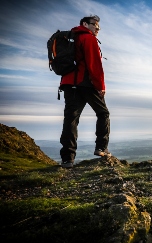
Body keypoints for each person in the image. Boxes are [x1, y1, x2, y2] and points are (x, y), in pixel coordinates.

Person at [59, 15, 110, 168]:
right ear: (85, 24)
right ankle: (101, 148)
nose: (97, 28)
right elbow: (94, 65)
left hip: (69, 83)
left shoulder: (70, 38)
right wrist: (101, 86)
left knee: (71, 119)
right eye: (95, 25)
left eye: (99, 27)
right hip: (86, 83)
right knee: (103, 113)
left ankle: (67, 159)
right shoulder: (88, 38)